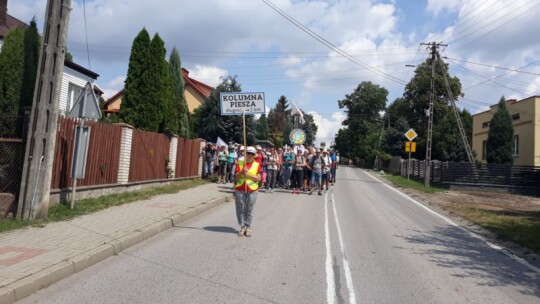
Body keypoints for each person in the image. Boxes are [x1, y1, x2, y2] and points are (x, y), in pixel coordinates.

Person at [234, 146, 262, 237]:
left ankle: (248, 226)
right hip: (240, 189)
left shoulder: (257, 164)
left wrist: (248, 175)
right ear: (245, 154)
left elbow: (258, 179)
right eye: (248, 153)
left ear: (254, 155)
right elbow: (236, 178)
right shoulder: (240, 163)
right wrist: (242, 172)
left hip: (253, 190)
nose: (250, 155)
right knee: (240, 208)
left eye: (252, 154)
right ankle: (242, 227)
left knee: (250, 208)